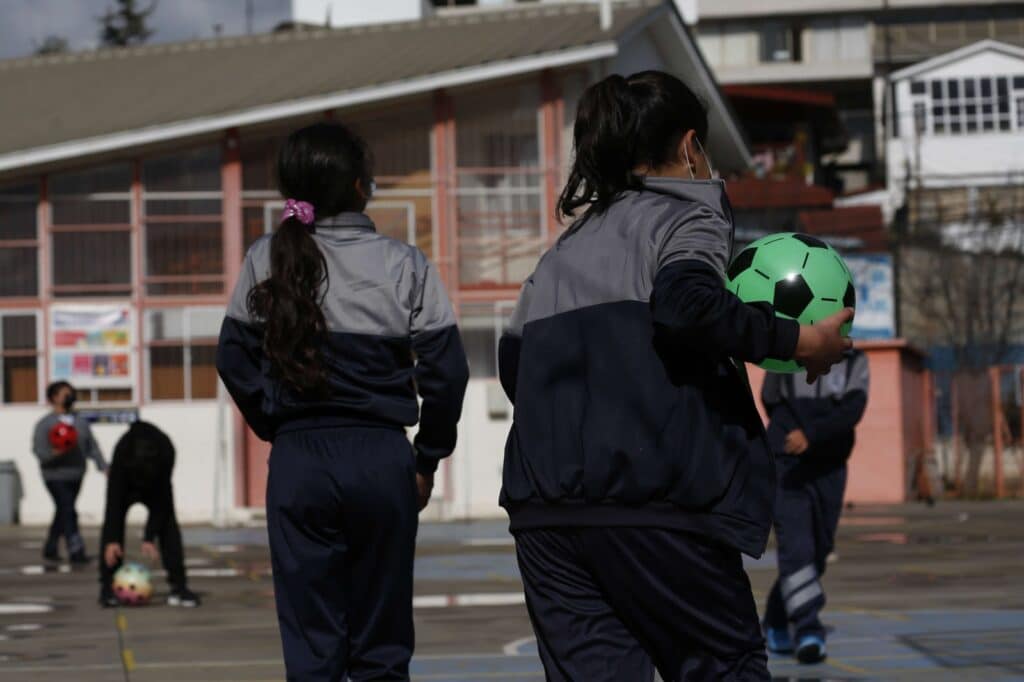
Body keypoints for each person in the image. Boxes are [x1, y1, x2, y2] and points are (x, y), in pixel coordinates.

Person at [498, 70, 853, 682]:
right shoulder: (685, 218)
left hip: (547, 518)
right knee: (724, 667)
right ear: (690, 147)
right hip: (655, 507)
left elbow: (514, 364)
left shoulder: (562, 252)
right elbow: (686, 305)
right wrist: (799, 341)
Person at [216, 122, 468, 682]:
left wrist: (277, 425)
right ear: (360, 187)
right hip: (381, 458)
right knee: (381, 646)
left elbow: (233, 359)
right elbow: (447, 373)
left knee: (312, 648)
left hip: (300, 462)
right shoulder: (406, 264)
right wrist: (427, 458)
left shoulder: (266, 258)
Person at [761, 349, 869, 664]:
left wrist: (812, 434)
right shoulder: (785, 353)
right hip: (788, 466)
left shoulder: (855, 361)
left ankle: (776, 618)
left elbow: (853, 409)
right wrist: (789, 434)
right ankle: (808, 629)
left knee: (818, 554)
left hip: (830, 468)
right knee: (798, 550)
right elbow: (770, 400)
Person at [98, 420, 200, 608]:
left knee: (168, 526)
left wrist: (149, 537)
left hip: (157, 486)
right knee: (112, 532)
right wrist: (112, 539)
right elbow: (113, 502)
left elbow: (162, 503)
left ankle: (179, 586)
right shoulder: (122, 452)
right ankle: (107, 587)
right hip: (125, 486)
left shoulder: (165, 451)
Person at [32, 381, 106, 563]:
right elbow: (39, 451)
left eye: (72, 393)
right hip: (54, 475)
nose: (70, 397)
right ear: (54, 398)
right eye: (66, 394)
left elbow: (91, 446)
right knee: (68, 509)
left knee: (63, 510)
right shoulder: (45, 424)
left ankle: (50, 547)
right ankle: (76, 549)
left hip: (76, 474)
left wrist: (103, 466)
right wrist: (54, 454)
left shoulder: (80, 422)